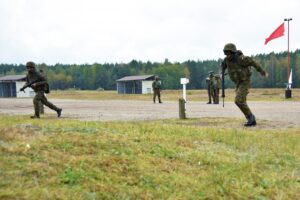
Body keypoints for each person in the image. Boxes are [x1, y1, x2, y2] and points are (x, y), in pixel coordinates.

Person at [221, 43, 268, 126]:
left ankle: (251, 118)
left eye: (229, 53)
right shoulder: (226, 60)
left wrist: (262, 72)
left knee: (238, 100)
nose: (227, 55)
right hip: (238, 83)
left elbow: (253, 62)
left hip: (245, 81)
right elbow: (223, 66)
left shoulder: (241, 59)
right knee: (242, 101)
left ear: (233, 52)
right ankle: (250, 119)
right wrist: (222, 72)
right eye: (226, 53)